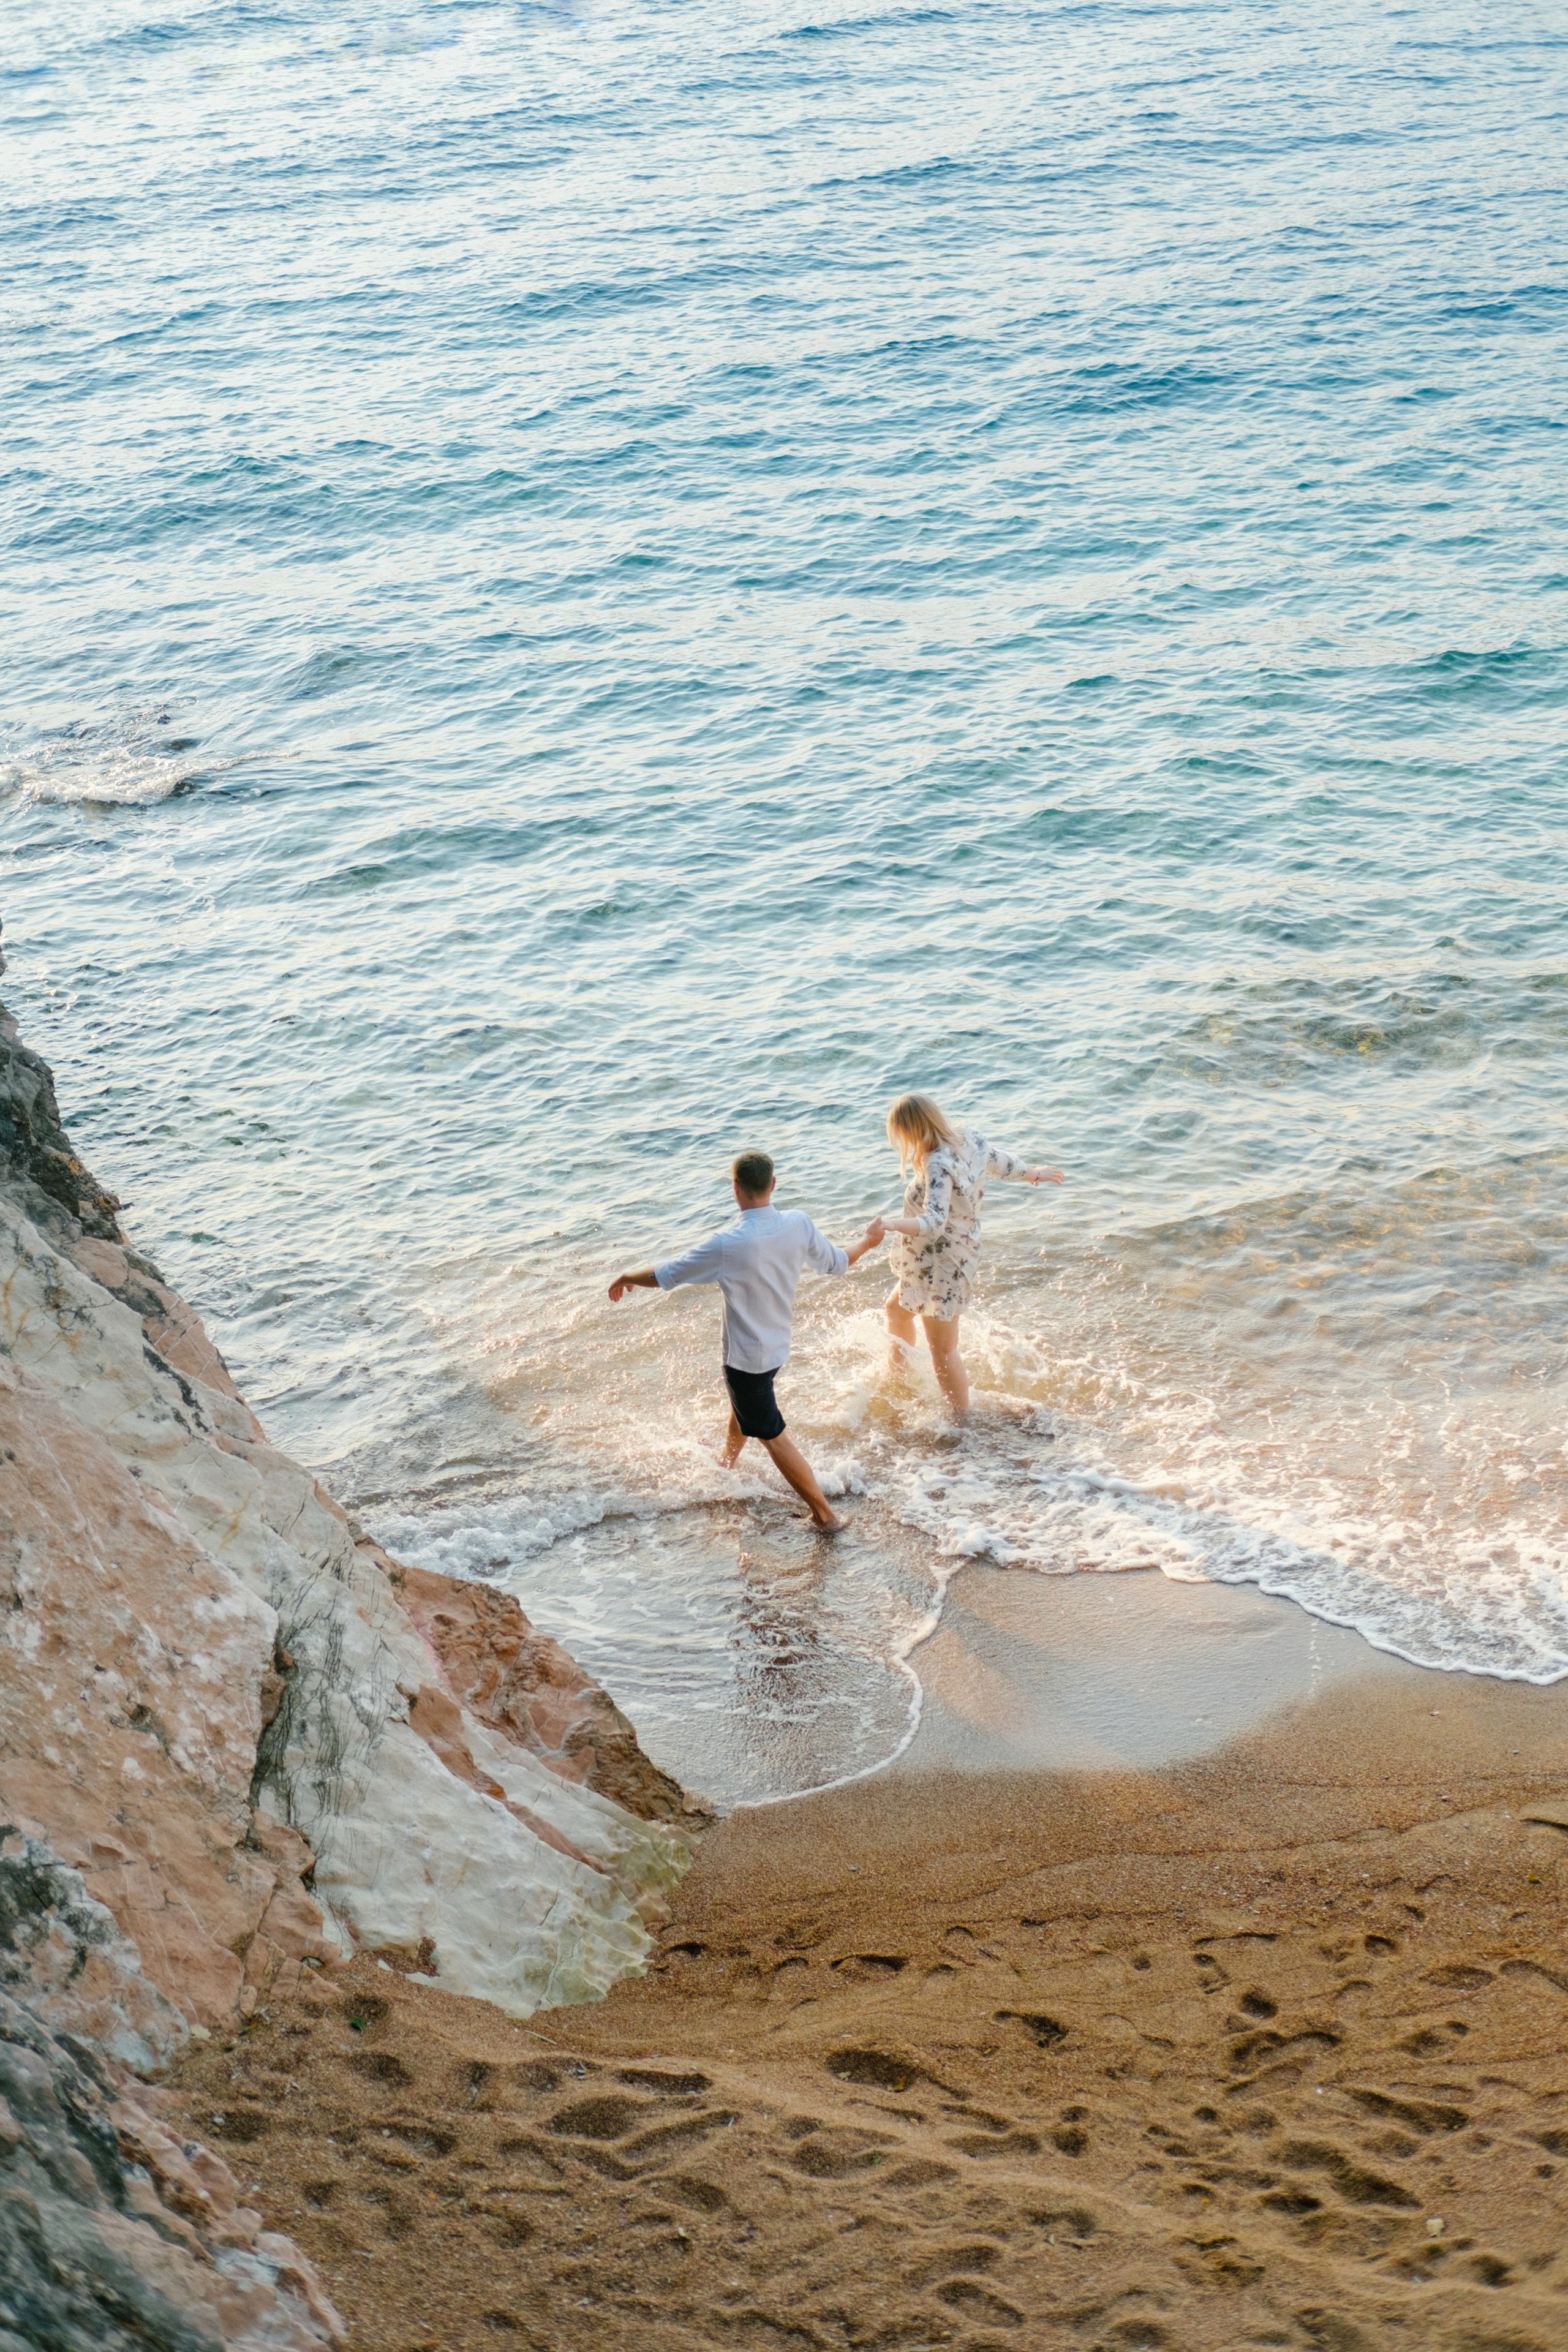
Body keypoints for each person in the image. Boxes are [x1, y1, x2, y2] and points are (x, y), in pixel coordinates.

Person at [609, 1150, 884, 1532]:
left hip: (746, 1360)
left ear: (735, 1189)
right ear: (773, 1184)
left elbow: (666, 1275)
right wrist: (869, 1242)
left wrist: (626, 1276)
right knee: (746, 1407)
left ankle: (826, 1515)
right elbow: (838, 1263)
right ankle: (727, 1460)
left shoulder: (728, 1243)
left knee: (772, 1436)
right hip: (777, 1349)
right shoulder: (798, 1224)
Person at [880, 1091, 1063, 1415]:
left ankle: (962, 1423)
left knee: (944, 1351)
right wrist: (1034, 1173)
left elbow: (935, 1222)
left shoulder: (937, 1163)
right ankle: (897, 1378)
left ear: (910, 1130)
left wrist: (891, 1224)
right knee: (896, 1310)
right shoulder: (970, 1139)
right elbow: (1000, 1162)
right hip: (938, 1257)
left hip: (942, 1263)